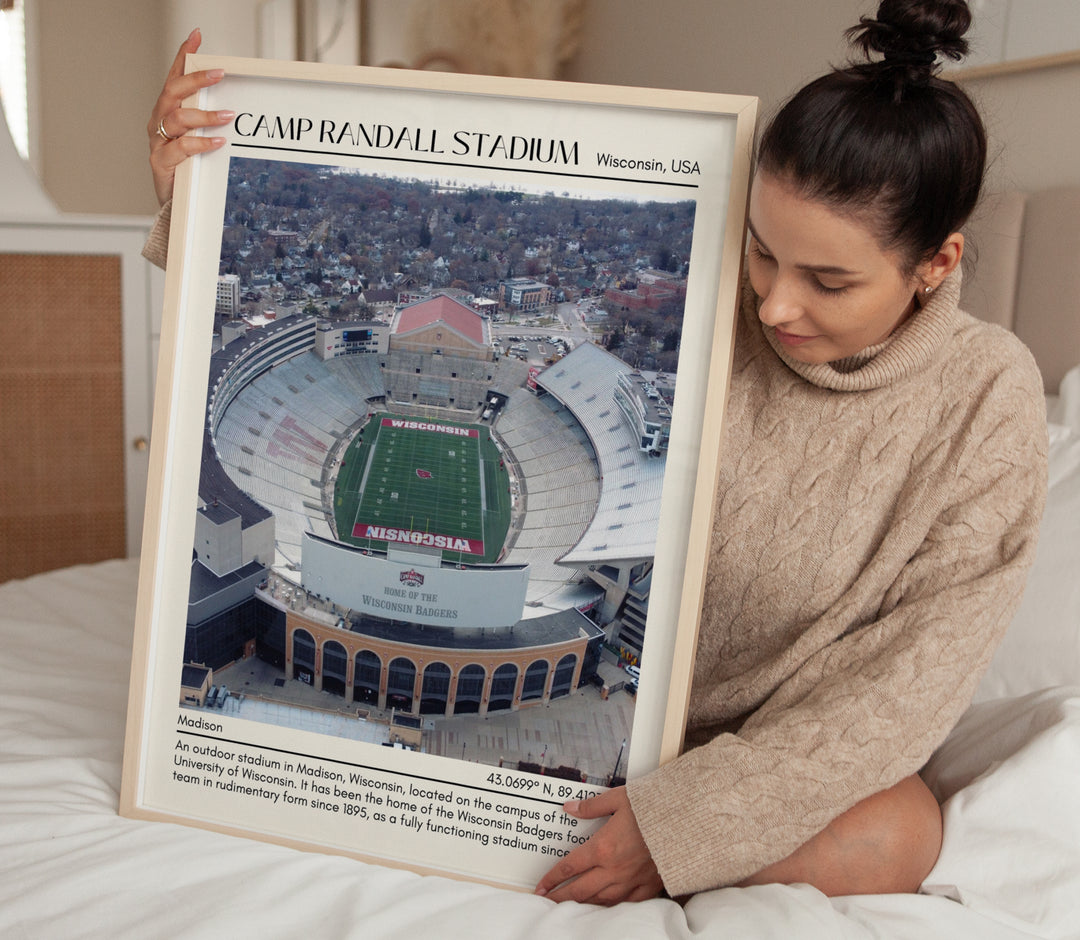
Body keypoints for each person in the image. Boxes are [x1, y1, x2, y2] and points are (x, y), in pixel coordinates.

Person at [145, 1, 1047, 906]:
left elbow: (909, 687)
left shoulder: (985, 398)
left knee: (899, 834)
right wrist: (195, 197)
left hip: (774, 757)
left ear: (936, 264)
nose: (774, 305)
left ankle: (609, 848)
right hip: (620, 714)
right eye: (765, 254)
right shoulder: (702, 311)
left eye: (830, 281)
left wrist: (690, 824)